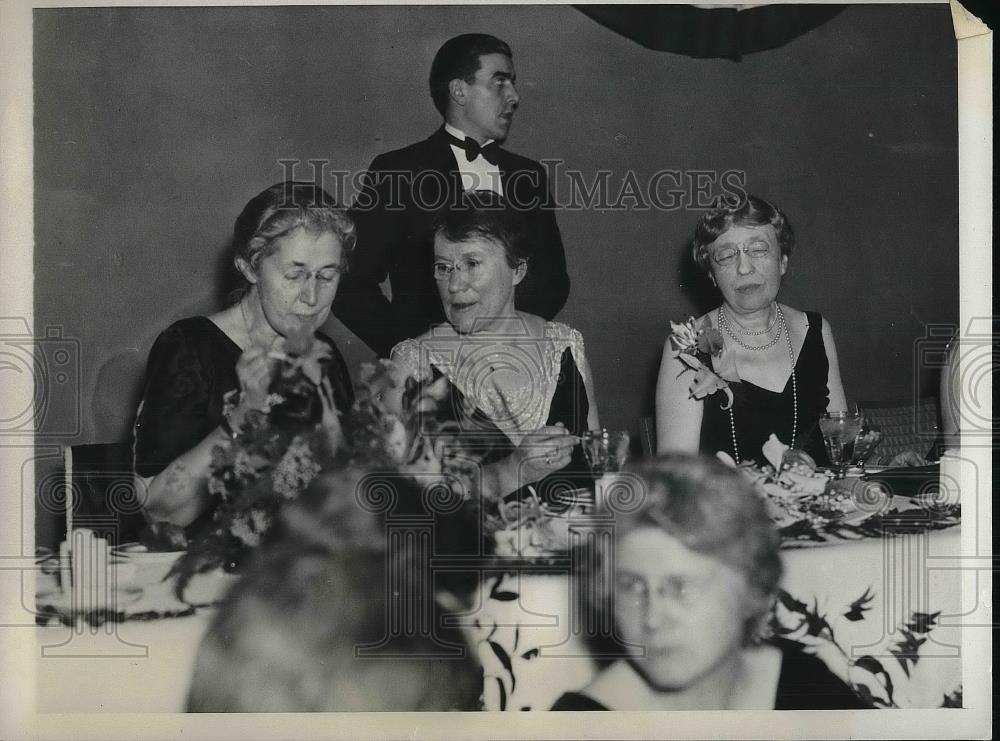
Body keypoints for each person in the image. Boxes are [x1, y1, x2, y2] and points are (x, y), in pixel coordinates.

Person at [552, 454, 865, 710]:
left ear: (753, 586)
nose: (652, 619)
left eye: (681, 587)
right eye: (632, 586)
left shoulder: (804, 687)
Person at [133, 181, 355, 532]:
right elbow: (162, 512)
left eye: (327, 276)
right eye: (294, 275)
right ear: (250, 268)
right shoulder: (190, 348)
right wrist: (242, 418)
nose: (312, 297)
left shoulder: (325, 360)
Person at [334, 33, 570, 358]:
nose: (514, 96)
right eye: (499, 82)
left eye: (512, 83)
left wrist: (513, 340)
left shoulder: (529, 177)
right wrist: (413, 351)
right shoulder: (399, 170)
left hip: (516, 366)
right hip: (431, 380)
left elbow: (554, 281)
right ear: (459, 90)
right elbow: (348, 283)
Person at [389, 192, 597, 506]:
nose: (455, 285)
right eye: (444, 267)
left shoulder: (566, 346)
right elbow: (405, 499)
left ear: (518, 270)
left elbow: (599, 467)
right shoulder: (411, 365)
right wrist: (513, 471)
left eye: (472, 264)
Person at [655, 195, 848, 465]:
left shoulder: (816, 329)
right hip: (728, 506)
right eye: (726, 255)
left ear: (782, 261)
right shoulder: (685, 343)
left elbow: (841, 447)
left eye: (758, 250)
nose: (744, 267)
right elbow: (677, 475)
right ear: (711, 273)